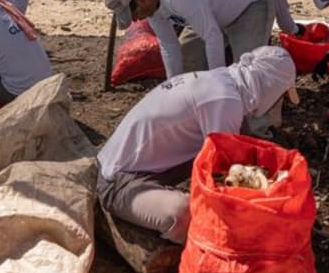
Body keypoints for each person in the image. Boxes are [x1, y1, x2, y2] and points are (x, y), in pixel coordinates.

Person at [96, 46, 300, 243]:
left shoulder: (221, 84)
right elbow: (226, 178)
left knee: (236, 149)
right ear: (271, 85)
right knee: (186, 215)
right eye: (280, 95)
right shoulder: (224, 102)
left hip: (137, 165)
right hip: (117, 181)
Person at [105, 0, 299, 134]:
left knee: (249, 77)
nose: (137, 20)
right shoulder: (152, 3)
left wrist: (219, 89)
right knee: (189, 61)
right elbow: (169, 47)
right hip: (214, 9)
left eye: (134, 13)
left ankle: (260, 131)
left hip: (250, 1)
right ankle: (199, 119)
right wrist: (172, 92)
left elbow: (211, 36)